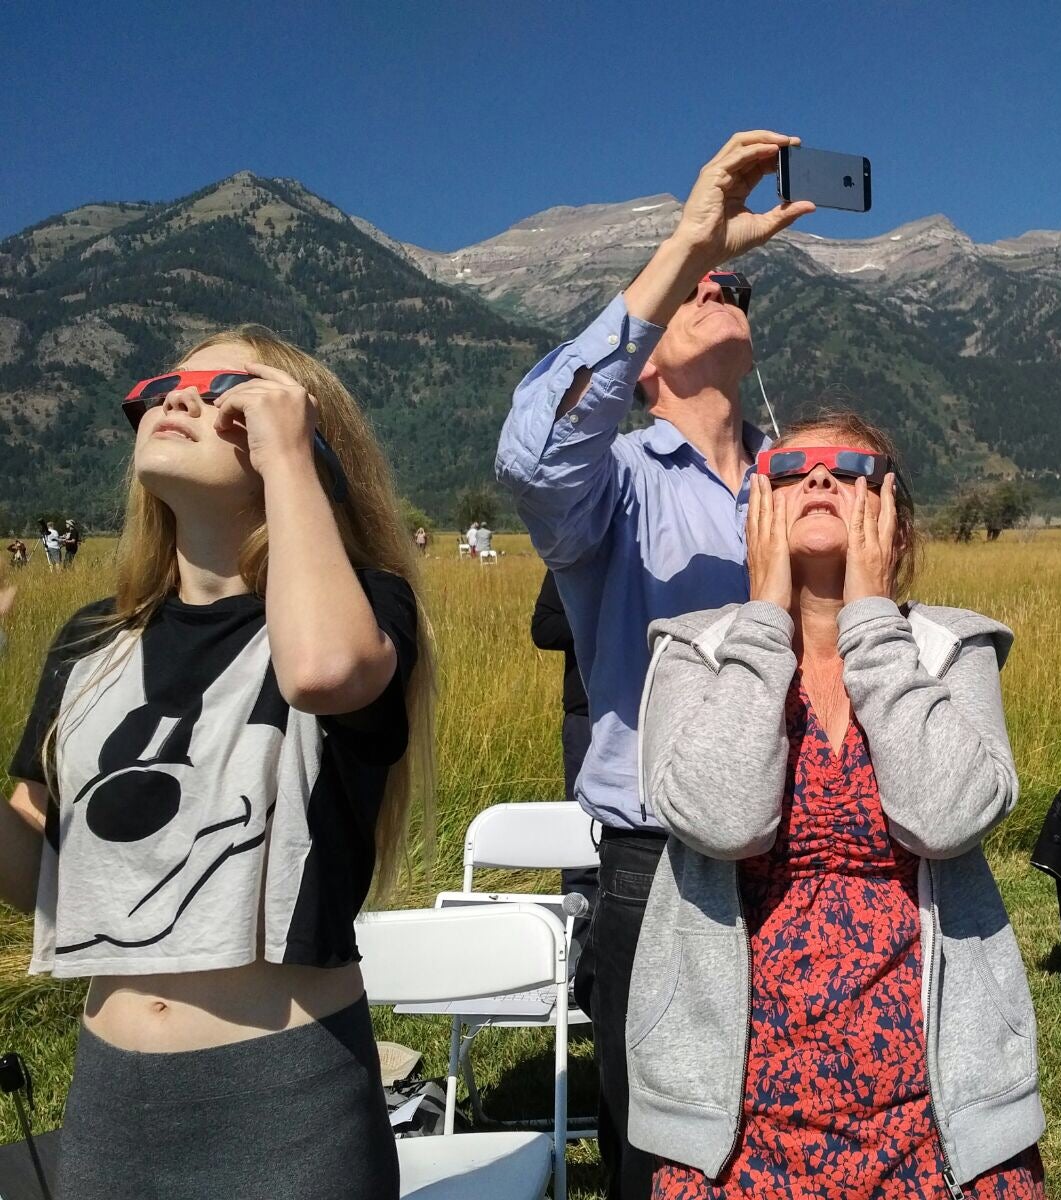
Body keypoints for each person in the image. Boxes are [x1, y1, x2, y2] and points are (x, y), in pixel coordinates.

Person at [0, 326, 434, 1200]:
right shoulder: (91, 641)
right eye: (164, 384)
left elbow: (320, 671)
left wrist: (290, 461)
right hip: (111, 1100)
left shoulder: (365, 610)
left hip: (287, 1096)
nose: (178, 396)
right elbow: (35, 875)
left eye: (227, 387)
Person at [496, 130, 814, 1200]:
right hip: (661, 860)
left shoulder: (798, 479)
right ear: (642, 367)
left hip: (808, 841)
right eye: (696, 287)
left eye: (735, 285)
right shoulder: (617, 484)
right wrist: (687, 241)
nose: (722, 288)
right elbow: (532, 453)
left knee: (800, 1120)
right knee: (667, 1151)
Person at [630, 412, 1046, 1197]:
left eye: (848, 467)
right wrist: (763, 619)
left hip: (935, 1111)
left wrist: (870, 624)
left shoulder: (952, 649)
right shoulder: (691, 650)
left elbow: (947, 815)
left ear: (894, 514)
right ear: (756, 508)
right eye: (790, 471)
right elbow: (724, 819)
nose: (819, 479)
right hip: (738, 1116)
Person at [531, 569, 597, 963]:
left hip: (652, 710)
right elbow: (543, 629)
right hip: (585, 714)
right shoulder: (568, 561)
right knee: (579, 837)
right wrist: (600, 611)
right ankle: (577, 957)